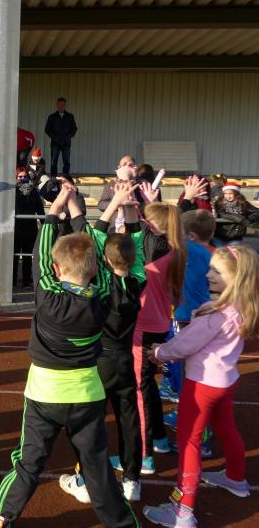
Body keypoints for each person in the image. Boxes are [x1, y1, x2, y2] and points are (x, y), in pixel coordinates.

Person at [0, 182, 138, 528]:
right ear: (95, 269)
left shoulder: (47, 294)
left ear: (56, 271)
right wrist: (78, 212)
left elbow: (43, 252)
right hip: (87, 395)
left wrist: (57, 205)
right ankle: (124, 526)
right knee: (97, 468)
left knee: (27, 464)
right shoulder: (103, 296)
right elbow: (96, 256)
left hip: (44, 396)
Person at [143, 244, 258, 528]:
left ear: (236, 278)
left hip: (202, 385)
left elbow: (185, 344)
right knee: (226, 429)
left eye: (216, 271)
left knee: (189, 442)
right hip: (225, 381)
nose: (208, 275)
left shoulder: (215, 315)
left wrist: (159, 352)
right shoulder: (242, 306)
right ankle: (235, 477)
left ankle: (182, 511)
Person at [59, 181, 146, 504]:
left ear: (104, 263)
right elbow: (135, 241)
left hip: (98, 360)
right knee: (128, 420)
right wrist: (129, 207)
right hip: (124, 360)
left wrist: (115, 204)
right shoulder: (137, 280)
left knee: (90, 421)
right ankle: (132, 479)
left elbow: (93, 237)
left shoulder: (102, 281)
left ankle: (84, 477)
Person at [131, 190, 187, 475]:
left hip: (145, 326)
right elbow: (153, 225)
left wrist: (132, 201)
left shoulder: (155, 251)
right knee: (148, 385)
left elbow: (139, 228)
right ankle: (160, 439)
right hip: (159, 323)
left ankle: (144, 456)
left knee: (139, 391)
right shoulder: (173, 247)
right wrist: (150, 203)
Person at [159, 209, 216, 450]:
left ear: (190, 236)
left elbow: (167, 235)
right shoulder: (213, 253)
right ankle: (194, 422)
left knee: (189, 376)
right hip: (203, 317)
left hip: (187, 319)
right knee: (197, 375)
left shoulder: (189, 250)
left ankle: (200, 438)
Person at [14, 167, 44, 288]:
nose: (23, 179)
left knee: (27, 256)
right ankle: (13, 280)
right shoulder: (13, 191)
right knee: (14, 256)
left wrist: (44, 224)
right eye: (20, 177)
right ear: (16, 178)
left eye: (25, 176)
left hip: (30, 228)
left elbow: (39, 208)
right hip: (16, 227)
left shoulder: (34, 191)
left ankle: (26, 280)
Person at [212, 182, 259, 246]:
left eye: (230, 193)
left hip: (236, 235)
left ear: (236, 193)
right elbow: (223, 214)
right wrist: (241, 219)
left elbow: (256, 212)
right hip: (220, 234)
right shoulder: (219, 203)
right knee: (219, 251)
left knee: (234, 251)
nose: (228, 196)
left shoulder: (243, 203)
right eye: (225, 193)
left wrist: (248, 218)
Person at [44, 97, 77, 177]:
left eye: (63, 105)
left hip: (66, 143)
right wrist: (54, 137)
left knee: (66, 161)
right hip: (55, 143)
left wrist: (69, 136)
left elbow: (74, 129)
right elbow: (47, 129)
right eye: (59, 104)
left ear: (65, 105)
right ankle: (53, 178)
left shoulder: (70, 116)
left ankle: (66, 178)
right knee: (53, 161)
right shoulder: (52, 116)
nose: (61, 106)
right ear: (57, 105)